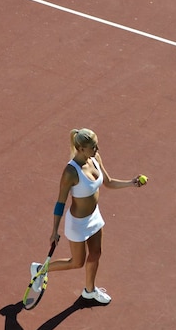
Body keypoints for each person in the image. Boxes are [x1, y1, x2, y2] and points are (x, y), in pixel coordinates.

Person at [31, 128, 148, 304]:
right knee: (77, 262)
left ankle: (89, 290)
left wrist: (131, 183)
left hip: (94, 217)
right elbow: (60, 203)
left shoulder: (95, 159)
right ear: (80, 148)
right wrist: (54, 230)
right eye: (93, 147)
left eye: (96, 145)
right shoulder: (70, 172)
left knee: (96, 254)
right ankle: (40, 270)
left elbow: (108, 182)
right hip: (77, 224)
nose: (97, 149)